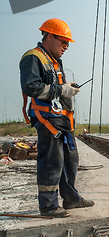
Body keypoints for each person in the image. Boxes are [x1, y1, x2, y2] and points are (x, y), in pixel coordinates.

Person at [19, 18, 94, 217]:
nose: (66, 47)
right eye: (64, 42)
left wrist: (67, 89)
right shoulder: (33, 57)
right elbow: (31, 87)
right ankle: (49, 206)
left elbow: (56, 88)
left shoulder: (53, 60)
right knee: (52, 161)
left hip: (62, 121)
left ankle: (71, 198)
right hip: (47, 120)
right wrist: (62, 89)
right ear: (50, 37)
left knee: (70, 159)